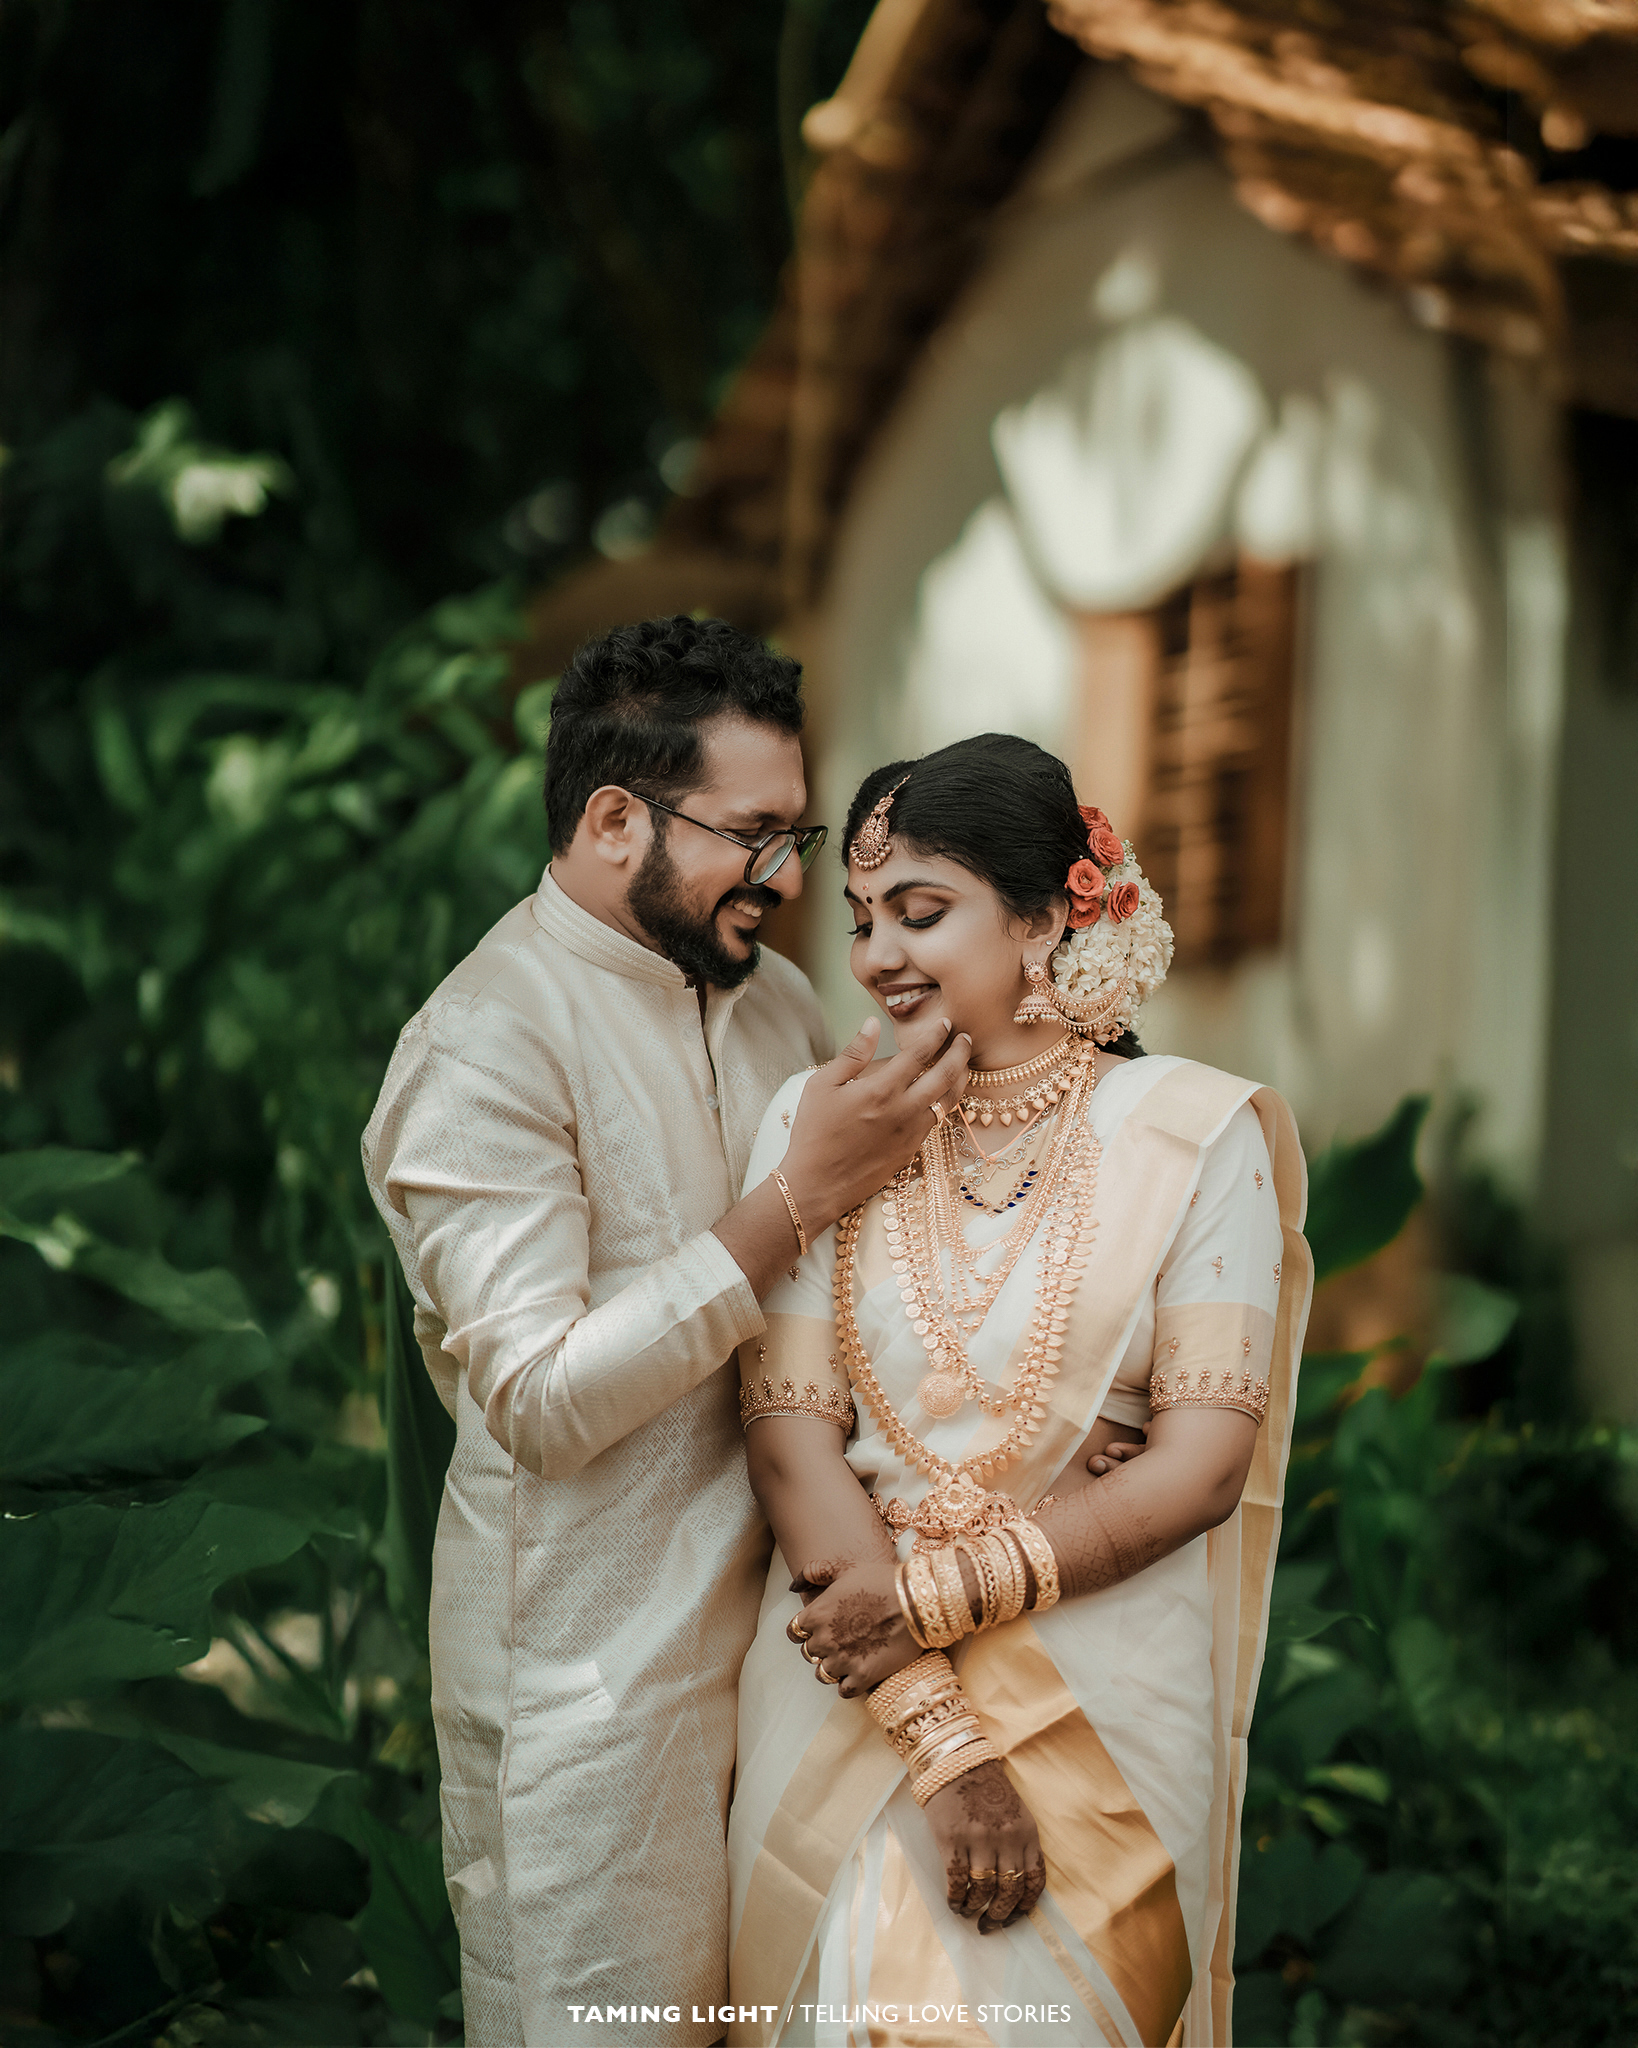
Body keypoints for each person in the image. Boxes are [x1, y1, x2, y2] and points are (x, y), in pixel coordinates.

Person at [362, 617, 972, 2048]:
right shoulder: (485, 1045)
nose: (786, 878)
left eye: (793, 836)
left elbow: (869, 1285)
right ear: (612, 820)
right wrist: (789, 1200)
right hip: (591, 1704)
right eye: (749, 836)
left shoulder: (777, 1006)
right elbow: (540, 1399)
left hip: (796, 1663)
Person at [724, 735, 1313, 2048]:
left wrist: (924, 1599)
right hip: (851, 1690)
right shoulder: (820, 1123)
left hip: (1100, 1688)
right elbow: (788, 1439)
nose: (876, 954)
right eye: (862, 918)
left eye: (920, 911)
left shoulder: (1190, 1136)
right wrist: (934, 1727)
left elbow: (1203, 1463)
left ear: (1048, 916)